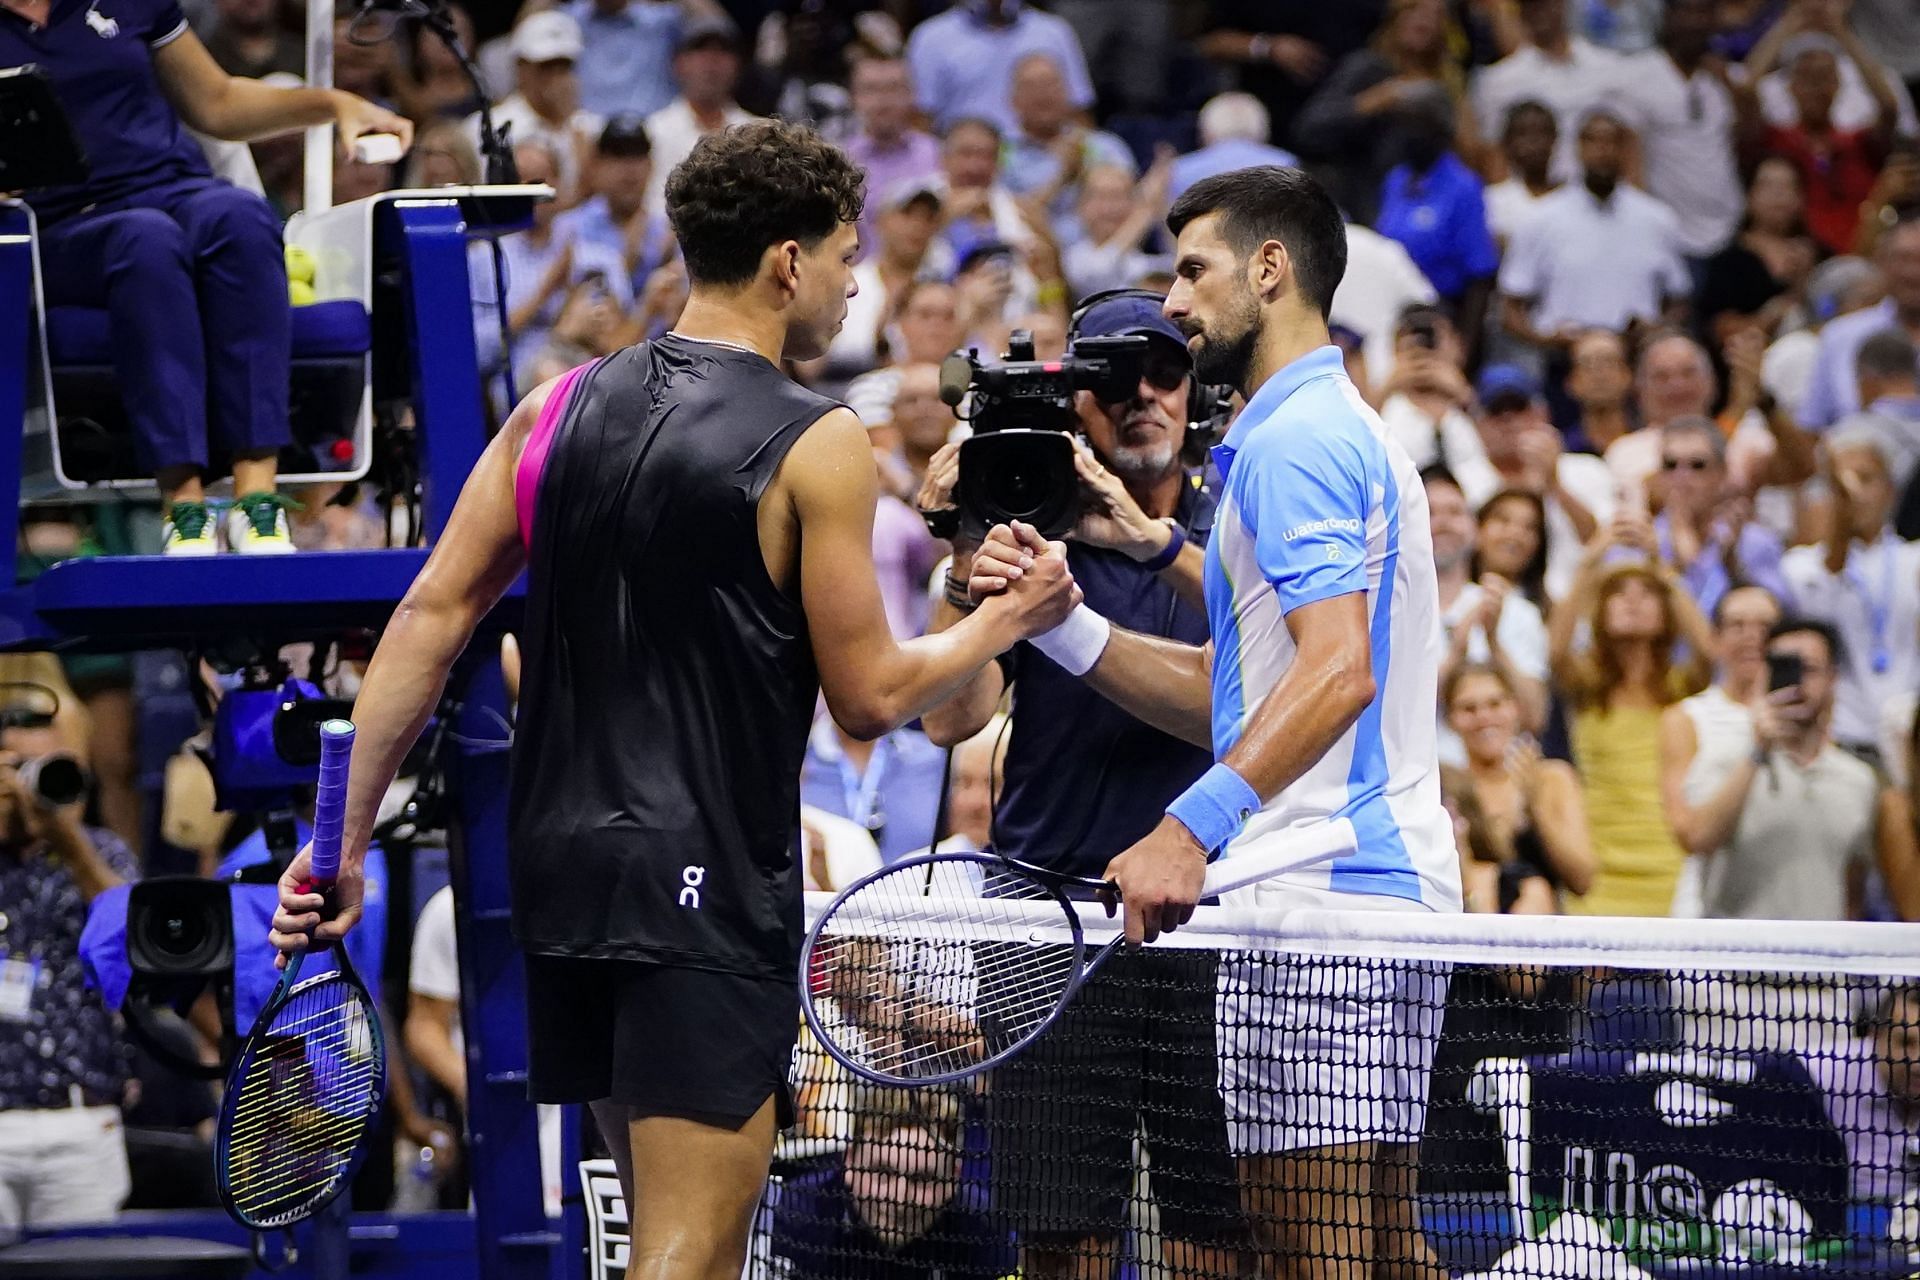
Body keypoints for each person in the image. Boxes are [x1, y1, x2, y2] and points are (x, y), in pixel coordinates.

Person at [269, 120, 1079, 1280]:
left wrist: (338, 842)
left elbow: (429, 620)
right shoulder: (821, 439)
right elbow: (868, 698)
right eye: (847, 255)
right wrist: (1007, 618)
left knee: (654, 1234)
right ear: (786, 262)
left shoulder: (550, 408)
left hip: (559, 873)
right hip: (699, 889)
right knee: (689, 1261)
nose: (858, 285)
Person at [971, 164, 1462, 1278]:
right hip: (1374, 890)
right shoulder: (1341, 429)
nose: (1179, 303)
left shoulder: (1293, 445)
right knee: (1385, 1250)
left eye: (1194, 269)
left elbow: (1338, 673)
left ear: (1270, 268)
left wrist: (1185, 827)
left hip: (1319, 900)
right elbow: (1231, 692)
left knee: (1309, 1258)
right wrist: (1061, 624)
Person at [920, 291, 1245, 1280]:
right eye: (1112, 376)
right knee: (1063, 1236)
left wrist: (1144, 539)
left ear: (1193, 392)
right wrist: (961, 557)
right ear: (1073, 401)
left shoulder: (1231, 517)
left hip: (1213, 911)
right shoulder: (1033, 534)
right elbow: (951, 716)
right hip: (1042, 911)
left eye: (1163, 371)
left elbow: (1270, 669)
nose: (1142, 394)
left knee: (1213, 1232)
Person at [2, 0, 410, 553]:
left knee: (241, 218)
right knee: (145, 241)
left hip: (175, 190)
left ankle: (257, 500)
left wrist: (333, 104)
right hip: (65, 226)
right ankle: (184, 506)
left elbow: (217, 101)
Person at [0, 700, 139, 1229]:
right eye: (18, 768)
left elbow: (135, 935)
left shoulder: (100, 852)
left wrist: (66, 840)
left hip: (80, 1123)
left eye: (49, 767)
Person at [1548, 518, 1716, 915]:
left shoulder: (1680, 689)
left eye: (1646, 594)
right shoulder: (1588, 688)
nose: (1633, 600)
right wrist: (1590, 561)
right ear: (1600, 611)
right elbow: (1555, 651)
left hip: (1672, 865)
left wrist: (1663, 568)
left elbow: (1709, 653)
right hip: (1603, 873)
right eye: (1619, 593)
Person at [1664, 616, 1879, 921]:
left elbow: (1853, 886)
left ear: (1832, 678)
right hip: (1736, 961)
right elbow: (1696, 839)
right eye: (1784, 667)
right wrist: (1757, 751)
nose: (1797, 682)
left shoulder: (1858, 780)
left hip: (1821, 963)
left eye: (1810, 669)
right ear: (1764, 672)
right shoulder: (1724, 756)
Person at [1781, 429, 1920, 760]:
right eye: (1840, 484)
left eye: (1865, 478)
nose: (1853, 493)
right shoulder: (1800, 566)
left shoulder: (1913, 560)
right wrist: (1839, 522)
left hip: (1909, 737)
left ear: (1891, 490)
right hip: (1840, 739)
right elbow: (1828, 586)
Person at [1443, 663, 1594, 909]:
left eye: (1495, 704)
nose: (1484, 718)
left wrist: (1535, 806)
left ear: (1515, 708)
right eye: (1469, 709)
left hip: (1544, 920)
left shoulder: (1552, 778)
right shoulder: (1448, 784)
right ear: (1451, 718)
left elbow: (1582, 879)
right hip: (1475, 913)